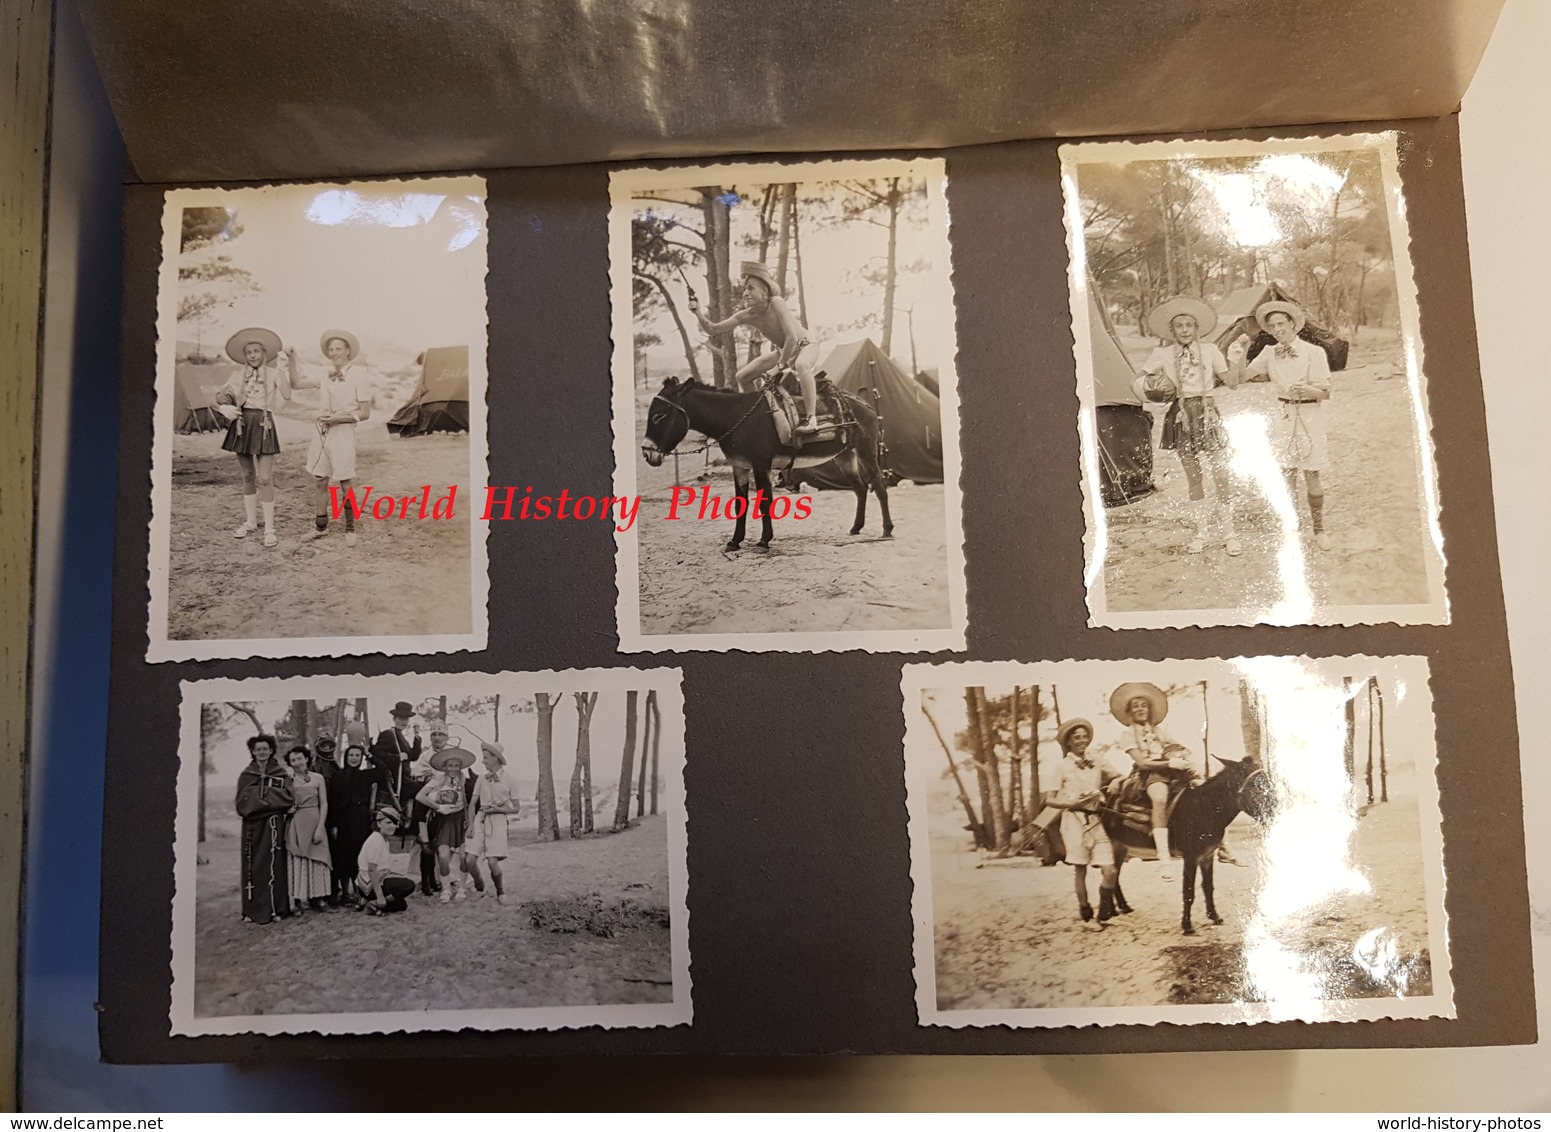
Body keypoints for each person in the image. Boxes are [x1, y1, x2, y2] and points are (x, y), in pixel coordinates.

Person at [1135, 296, 1241, 555]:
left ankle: (1230, 534)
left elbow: (1233, 382)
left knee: (1221, 473)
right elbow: (1139, 380)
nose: (1184, 330)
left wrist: (1238, 357)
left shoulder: (1211, 350)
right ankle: (1202, 533)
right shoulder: (1161, 354)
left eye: (1189, 325)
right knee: (1194, 477)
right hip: (1180, 414)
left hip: (1207, 413)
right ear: (1172, 330)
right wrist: (1152, 396)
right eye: (1179, 325)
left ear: (1197, 329)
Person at [1230, 300, 1334, 551]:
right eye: (1273, 325)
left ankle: (1319, 530)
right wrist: (1241, 351)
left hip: (1310, 413)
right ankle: (1293, 527)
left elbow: (1325, 392)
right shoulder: (1268, 352)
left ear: (1293, 325)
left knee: (1311, 473)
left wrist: (1308, 389)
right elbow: (1240, 378)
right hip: (1283, 414)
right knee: (1287, 475)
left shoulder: (1314, 352)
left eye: (1282, 324)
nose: (1278, 329)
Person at [691, 261, 823, 434]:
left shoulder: (776, 303)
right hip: (783, 352)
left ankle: (811, 419)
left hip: (805, 345)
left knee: (802, 365)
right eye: (744, 289)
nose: (745, 293)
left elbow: (791, 338)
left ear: (765, 292)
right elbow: (713, 329)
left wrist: (779, 367)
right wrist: (698, 312)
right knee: (742, 377)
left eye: (751, 288)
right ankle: (760, 417)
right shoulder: (746, 315)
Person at [287, 330, 373, 547]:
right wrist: (291, 359)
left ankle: (350, 528)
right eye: (331, 349)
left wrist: (338, 418)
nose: (334, 353)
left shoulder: (359, 374)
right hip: (322, 432)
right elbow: (296, 383)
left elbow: (365, 413)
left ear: (347, 351)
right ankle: (320, 527)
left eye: (338, 349)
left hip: (343, 432)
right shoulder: (324, 374)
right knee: (319, 479)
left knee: (345, 481)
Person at [213, 328, 296, 549]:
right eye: (249, 352)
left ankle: (270, 528)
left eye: (256, 351)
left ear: (264, 353)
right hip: (242, 423)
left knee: (266, 478)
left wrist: (282, 369)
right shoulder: (238, 375)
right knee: (248, 475)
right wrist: (224, 408)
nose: (252, 355)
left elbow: (287, 396)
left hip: (264, 423)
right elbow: (219, 397)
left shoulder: (274, 373)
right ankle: (250, 522)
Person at [1041, 718, 1122, 931]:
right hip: (1073, 820)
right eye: (1077, 737)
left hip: (1095, 819)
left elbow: (1118, 776)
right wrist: (1070, 802)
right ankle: (1086, 913)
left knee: (1110, 870)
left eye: (1085, 736)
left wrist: (1114, 782)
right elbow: (1049, 799)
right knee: (1080, 869)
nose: (1082, 741)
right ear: (1068, 742)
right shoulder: (1061, 767)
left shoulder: (1097, 759)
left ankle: (1104, 912)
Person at [1111, 681, 1197, 881]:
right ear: (1130, 712)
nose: (1140, 709)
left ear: (1149, 709)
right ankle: (1164, 860)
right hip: (1150, 773)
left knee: (1203, 788)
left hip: (1172, 767)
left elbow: (1178, 746)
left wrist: (1182, 755)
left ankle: (1224, 847)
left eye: (1143, 705)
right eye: (1135, 706)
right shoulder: (1127, 734)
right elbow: (1142, 763)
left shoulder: (1159, 731)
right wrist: (1169, 764)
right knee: (1159, 798)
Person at [235, 734, 295, 924]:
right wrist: (271, 801)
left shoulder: (280, 773)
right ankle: (252, 911)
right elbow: (242, 804)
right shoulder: (247, 775)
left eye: (265, 749)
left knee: (274, 864)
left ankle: (276, 909)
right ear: (252, 752)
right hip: (253, 826)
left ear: (271, 751)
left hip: (273, 824)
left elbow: (288, 797)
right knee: (253, 865)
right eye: (258, 749)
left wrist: (260, 802)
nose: (262, 752)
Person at [462, 741, 521, 905]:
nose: (483, 761)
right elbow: (472, 803)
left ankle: (500, 890)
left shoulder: (510, 780)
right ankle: (479, 881)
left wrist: (498, 809)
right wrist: (471, 825)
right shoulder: (481, 778)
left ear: (495, 758)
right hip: (480, 819)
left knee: (492, 861)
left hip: (498, 821)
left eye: (486, 758)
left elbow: (516, 808)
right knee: (469, 860)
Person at [417, 741, 476, 903]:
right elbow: (420, 796)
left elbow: (471, 804)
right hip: (444, 821)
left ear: (460, 766)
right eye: (450, 765)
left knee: (464, 856)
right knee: (443, 856)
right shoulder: (438, 779)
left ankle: (462, 887)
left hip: (461, 820)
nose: (453, 769)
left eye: (456, 765)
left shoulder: (465, 779)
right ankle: (446, 888)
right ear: (444, 766)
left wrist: (471, 824)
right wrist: (438, 808)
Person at [327, 742, 386, 905]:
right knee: (342, 856)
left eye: (357, 755)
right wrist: (333, 824)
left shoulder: (366, 775)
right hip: (343, 818)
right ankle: (345, 893)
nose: (354, 758)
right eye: (351, 755)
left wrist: (369, 754)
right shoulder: (338, 776)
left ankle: (359, 891)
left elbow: (382, 769)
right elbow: (333, 802)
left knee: (360, 854)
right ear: (346, 757)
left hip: (361, 818)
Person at [283, 745, 334, 912]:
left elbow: (325, 803)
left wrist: (320, 827)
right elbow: (282, 801)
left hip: (315, 821)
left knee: (319, 858)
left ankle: (319, 899)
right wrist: (287, 809)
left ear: (306, 758)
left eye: (299, 758)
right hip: (297, 823)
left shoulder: (318, 778)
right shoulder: (288, 780)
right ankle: (297, 901)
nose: (297, 762)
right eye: (293, 760)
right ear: (289, 764)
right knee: (299, 858)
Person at [356, 807, 416, 915]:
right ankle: (374, 902)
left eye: (394, 823)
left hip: (376, 880)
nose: (392, 826)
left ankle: (367, 902)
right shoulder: (376, 841)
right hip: (369, 885)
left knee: (402, 905)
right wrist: (380, 896)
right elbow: (371, 870)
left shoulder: (383, 838)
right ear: (379, 824)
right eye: (388, 823)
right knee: (409, 885)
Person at [369, 702, 423, 815]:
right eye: (401, 718)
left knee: (427, 789)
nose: (404, 722)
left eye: (406, 719)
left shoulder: (402, 737)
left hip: (406, 779)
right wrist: (397, 758)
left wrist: (417, 737)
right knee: (424, 791)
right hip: (396, 781)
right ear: (394, 719)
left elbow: (413, 757)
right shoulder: (389, 734)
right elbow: (376, 753)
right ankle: (416, 823)